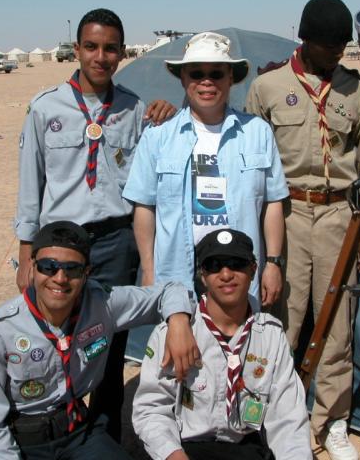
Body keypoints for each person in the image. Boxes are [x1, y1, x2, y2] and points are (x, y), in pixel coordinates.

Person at [14, 8, 175, 441]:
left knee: (109, 345)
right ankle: (56, 433)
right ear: (77, 50)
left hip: (114, 242)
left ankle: (103, 437)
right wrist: (26, 252)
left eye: (109, 48)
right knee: (54, 339)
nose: (100, 57)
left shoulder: (134, 108)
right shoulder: (44, 108)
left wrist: (170, 113)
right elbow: (31, 184)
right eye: (91, 46)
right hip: (60, 248)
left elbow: (153, 171)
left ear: (121, 53)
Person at [245, 0, 360, 460]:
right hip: (288, 215)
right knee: (284, 321)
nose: (337, 52)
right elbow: (252, 166)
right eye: (329, 45)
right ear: (306, 40)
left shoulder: (355, 89)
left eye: (343, 44)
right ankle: (279, 415)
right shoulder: (268, 87)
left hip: (340, 214)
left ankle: (332, 422)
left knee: (338, 325)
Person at [0, 221, 199, 460]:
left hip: (79, 433)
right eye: (48, 267)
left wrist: (179, 322)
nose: (60, 278)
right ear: (32, 267)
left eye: (72, 269)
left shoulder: (103, 304)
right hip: (21, 441)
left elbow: (171, 291)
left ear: (87, 272)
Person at [123, 31, 288, 310]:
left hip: (238, 275)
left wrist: (272, 263)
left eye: (217, 73)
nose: (206, 81)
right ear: (183, 79)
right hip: (177, 277)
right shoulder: (157, 137)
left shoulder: (257, 132)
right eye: (196, 73)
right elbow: (145, 208)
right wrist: (149, 271)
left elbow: (273, 203)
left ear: (231, 78)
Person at [133, 228, 312, 460]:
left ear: (253, 269)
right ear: (202, 275)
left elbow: (289, 419)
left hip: (244, 446)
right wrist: (173, 454)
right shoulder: (173, 332)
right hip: (184, 447)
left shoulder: (271, 336)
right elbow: (151, 408)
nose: (226, 274)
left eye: (236, 263)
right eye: (214, 265)